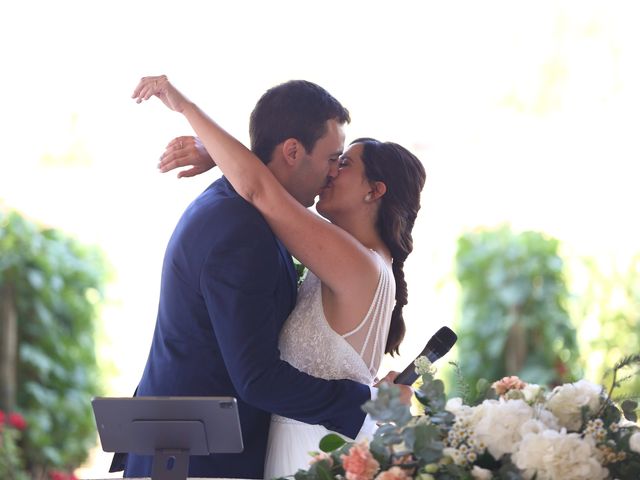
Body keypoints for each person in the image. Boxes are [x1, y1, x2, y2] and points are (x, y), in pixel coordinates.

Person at [129, 75, 425, 479]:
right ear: (292, 150)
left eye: (344, 163)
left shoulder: (350, 259)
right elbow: (260, 190)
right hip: (202, 459)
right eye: (334, 158)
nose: (333, 172)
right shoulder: (244, 227)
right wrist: (367, 398)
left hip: (295, 450)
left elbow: (261, 190)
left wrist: (369, 398)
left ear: (374, 192)